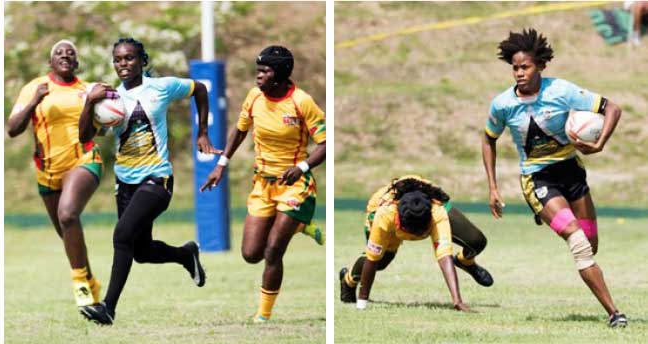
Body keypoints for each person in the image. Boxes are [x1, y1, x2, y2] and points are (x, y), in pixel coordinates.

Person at [482, 28, 626, 328]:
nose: (519, 73)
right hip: (537, 179)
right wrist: (493, 187)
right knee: (578, 243)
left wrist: (599, 144)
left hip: (571, 173)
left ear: (541, 66)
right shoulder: (502, 105)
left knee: (591, 242)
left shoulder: (562, 91)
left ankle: (545, 213)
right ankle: (615, 313)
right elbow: (488, 139)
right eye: (515, 68)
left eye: (526, 67)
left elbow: (613, 108)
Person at [77, 37, 217, 325]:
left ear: (143, 61)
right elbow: (84, 137)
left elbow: (200, 89)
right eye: (118, 59)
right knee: (139, 251)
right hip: (124, 182)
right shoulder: (108, 100)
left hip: (157, 178)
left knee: (121, 234)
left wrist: (202, 132)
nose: (123, 64)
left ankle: (108, 309)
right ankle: (185, 255)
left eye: (129, 58)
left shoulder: (161, 87)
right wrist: (89, 104)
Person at [201, 46, 326, 323]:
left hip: (295, 186)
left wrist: (301, 167)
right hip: (263, 184)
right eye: (258, 70)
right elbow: (241, 129)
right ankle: (301, 226)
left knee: (273, 251)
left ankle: (263, 315)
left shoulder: (302, 102)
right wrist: (220, 165)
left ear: (280, 75)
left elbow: (326, 144)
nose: (259, 76)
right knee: (251, 253)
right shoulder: (255, 96)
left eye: (265, 71)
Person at [6, 39, 109, 314]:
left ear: (76, 62)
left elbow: (103, 129)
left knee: (68, 214)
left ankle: (80, 286)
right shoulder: (34, 88)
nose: (65, 55)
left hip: (83, 159)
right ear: (50, 63)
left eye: (70, 53)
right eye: (58, 53)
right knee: (66, 232)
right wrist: (35, 101)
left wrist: (99, 106)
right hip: (47, 170)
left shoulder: (87, 89)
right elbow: (13, 129)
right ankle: (91, 281)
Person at [337, 176, 492, 312]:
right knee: (381, 261)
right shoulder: (384, 214)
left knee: (476, 241)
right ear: (399, 220)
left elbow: (444, 256)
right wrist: (362, 303)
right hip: (381, 210)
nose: (416, 237)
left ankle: (466, 262)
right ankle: (348, 279)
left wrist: (458, 301)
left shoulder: (436, 211)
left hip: (427, 201)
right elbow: (372, 259)